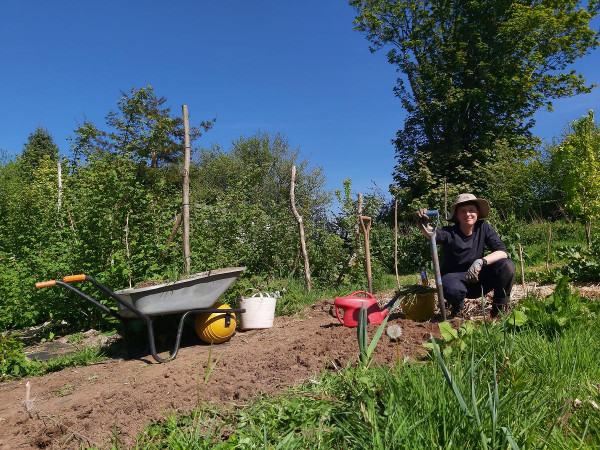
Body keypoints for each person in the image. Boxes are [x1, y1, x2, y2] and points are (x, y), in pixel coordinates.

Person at [414, 193, 516, 318]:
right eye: (462, 211)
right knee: (452, 287)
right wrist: (423, 224)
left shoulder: (483, 227)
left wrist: (481, 262)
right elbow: (432, 234)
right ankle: (457, 308)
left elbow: (502, 252)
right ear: (457, 215)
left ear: (477, 213)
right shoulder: (449, 232)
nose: (467, 214)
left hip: (478, 278)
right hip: (455, 281)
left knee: (507, 265)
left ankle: (499, 310)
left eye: (471, 210)